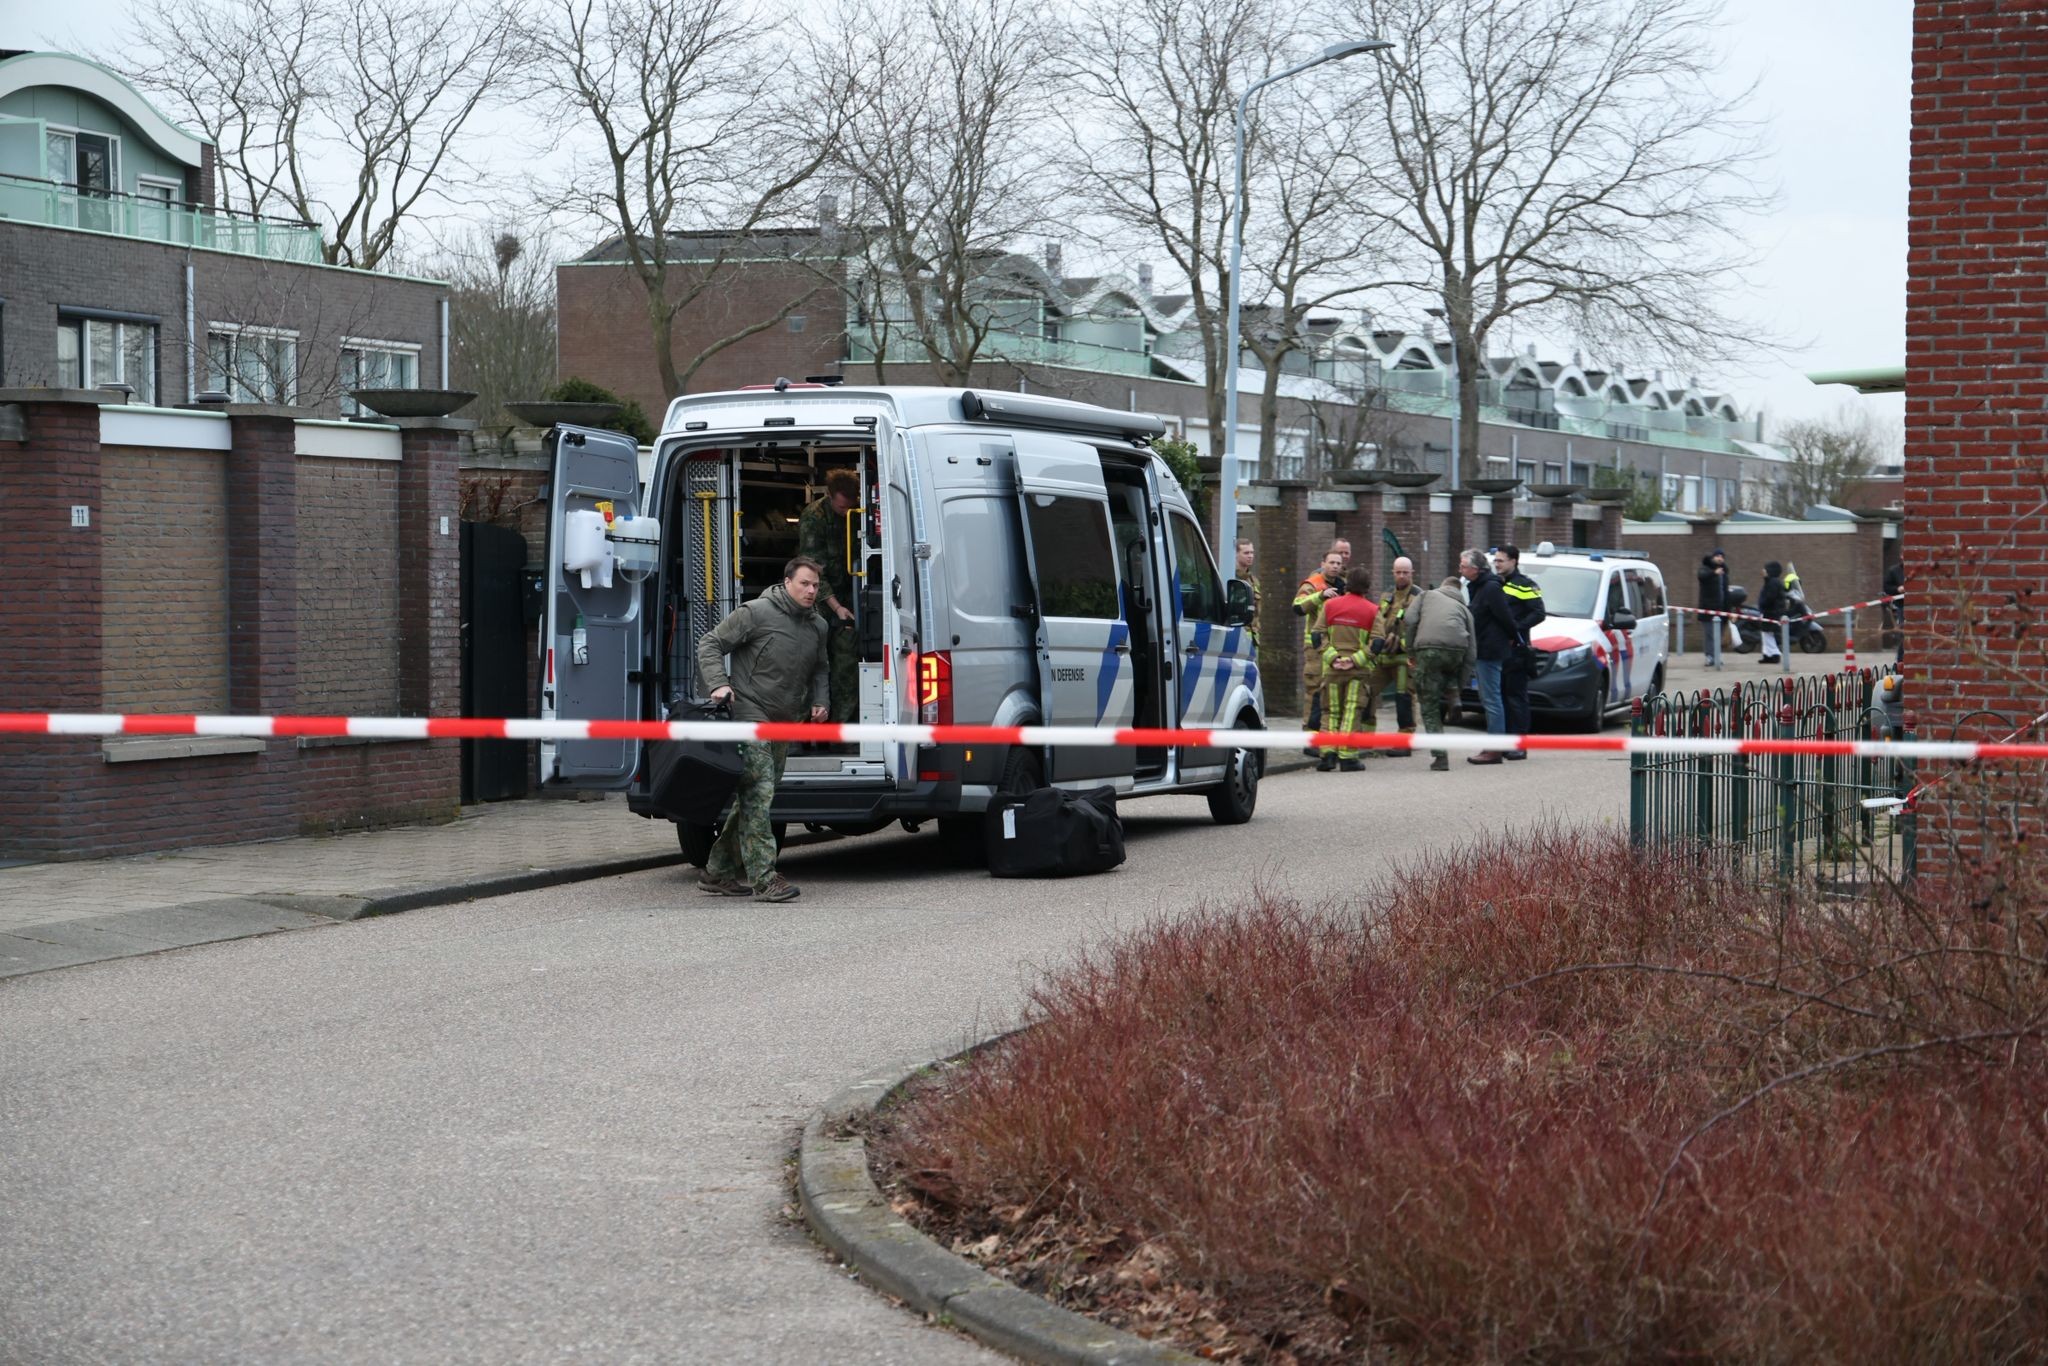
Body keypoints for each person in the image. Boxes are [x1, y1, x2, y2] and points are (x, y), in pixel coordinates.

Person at [693, 557, 831, 902]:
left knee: (754, 799)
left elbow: (821, 667)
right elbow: (709, 644)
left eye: (815, 585)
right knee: (759, 791)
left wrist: (820, 700)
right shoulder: (755, 612)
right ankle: (765, 878)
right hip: (749, 714)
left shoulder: (818, 625)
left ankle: (717, 871)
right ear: (787, 582)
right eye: (804, 583)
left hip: (785, 720)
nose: (811, 591)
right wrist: (718, 685)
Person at [796, 469, 860, 721]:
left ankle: (842, 733)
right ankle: (801, 734)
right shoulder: (814, 517)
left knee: (845, 667)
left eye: (850, 507)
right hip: (817, 600)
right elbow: (813, 569)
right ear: (830, 496)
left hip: (849, 598)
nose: (846, 513)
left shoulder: (857, 513)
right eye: (842, 507)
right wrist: (836, 607)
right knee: (809, 666)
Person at [1405, 574, 1477, 771]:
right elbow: (1471, 655)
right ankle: (1453, 692)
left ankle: (1440, 757)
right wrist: (1460, 687)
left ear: (1443, 586)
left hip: (1428, 650)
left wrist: (1410, 651)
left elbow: (1410, 619)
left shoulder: (1427, 595)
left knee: (1429, 706)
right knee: (1450, 664)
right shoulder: (1465, 611)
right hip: (1456, 651)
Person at [1459, 548, 1519, 765]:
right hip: (1484, 647)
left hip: (1489, 650)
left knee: (1491, 698)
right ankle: (1494, 745)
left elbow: (1505, 616)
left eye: (1463, 566)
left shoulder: (1490, 588)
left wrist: (1513, 637)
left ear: (1475, 569)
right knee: (1489, 697)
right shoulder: (1478, 587)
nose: (1461, 569)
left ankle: (1494, 748)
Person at [1315, 570, 1377, 771]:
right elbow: (1378, 642)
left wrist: (1333, 658)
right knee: (1351, 710)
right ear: (1367, 587)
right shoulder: (1372, 610)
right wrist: (1354, 660)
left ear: (1347, 584)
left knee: (1330, 712)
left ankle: (1327, 756)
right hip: (1357, 672)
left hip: (1332, 671)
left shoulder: (1330, 605)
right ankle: (1348, 757)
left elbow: (1317, 636)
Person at [1360, 556, 1423, 755]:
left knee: (1404, 698)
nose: (1402, 576)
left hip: (1405, 659)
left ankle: (1404, 741)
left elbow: (1422, 628)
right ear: (1393, 573)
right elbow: (1378, 621)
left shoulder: (1420, 597)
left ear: (1412, 573)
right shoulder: (1386, 595)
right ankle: (1366, 738)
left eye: (1406, 572)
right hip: (1383, 657)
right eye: (1399, 572)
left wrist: (1403, 644)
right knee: (1367, 691)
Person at [1492, 544, 1545, 761]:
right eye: (1495, 560)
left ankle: (1519, 745)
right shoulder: (1496, 584)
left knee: (1516, 698)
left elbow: (1539, 613)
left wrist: (1516, 628)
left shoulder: (1525, 585)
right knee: (1501, 697)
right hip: (1498, 650)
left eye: (1501, 560)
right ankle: (1504, 742)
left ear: (1514, 561)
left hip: (1517, 650)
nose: (1497, 564)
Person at [1292, 545, 1347, 746]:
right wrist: (1320, 596)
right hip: (1315, 650)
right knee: (1314, 691)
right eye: (1331, 562)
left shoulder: (1344, 585)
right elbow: (1297, 607)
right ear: (1322, 564)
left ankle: (1328, 737)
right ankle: (1310, 736)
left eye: (1338, 564)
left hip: (1336, 649)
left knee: (1331, 693)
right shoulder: (1313, 584)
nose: (1334, 566)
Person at [1697, 548, 1729, 669]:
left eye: (1722, 556)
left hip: (1721, 609)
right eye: (1718, 556)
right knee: (1710, 634)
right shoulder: (1705, 568)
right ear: (1713, 557)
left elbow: (1725, 591)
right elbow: (1701, 576)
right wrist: (1714, 573)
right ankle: (1709, 656)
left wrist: (1728, 609)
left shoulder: (1724, 572)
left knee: (1718, 634)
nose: (1720, 558)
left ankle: (1717, 656)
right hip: (1708, 608)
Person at [1758, 558, 1788, 663]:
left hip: (1771, 612)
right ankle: (1767, 655)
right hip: (1769, 612)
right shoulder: (1770, 582)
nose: (1763, 571)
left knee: (1768, 634)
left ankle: (1774, 654)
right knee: (1766, 634)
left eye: (1765, 569)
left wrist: (1763, 604)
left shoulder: (1773, 583)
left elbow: (1770, 598)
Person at [1233, 538, 1261, 646]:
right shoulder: (1230, 577)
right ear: (1235, 554)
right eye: (1246, 553)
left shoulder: (1254, 581)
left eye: (1252, 552)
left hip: (1253, 639)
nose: (1250, 556)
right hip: (1237, 637)